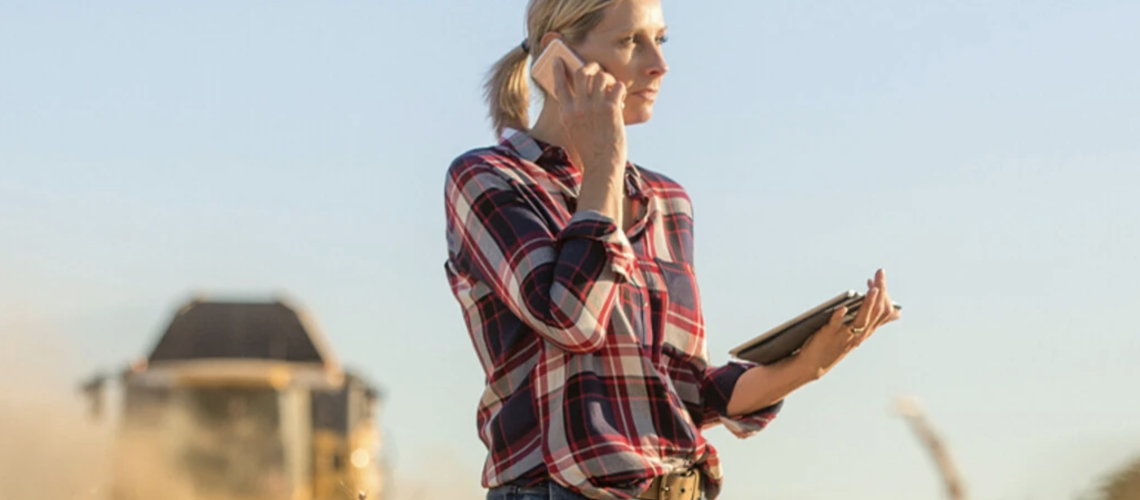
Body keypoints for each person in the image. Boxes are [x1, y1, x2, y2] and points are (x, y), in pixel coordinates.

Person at [442, 1, 902, 499]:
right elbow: (572, 319)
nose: (658, 64)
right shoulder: (487, 180)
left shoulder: (668, 202)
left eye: (659, 40)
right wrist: (603, 165)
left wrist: (808, 364)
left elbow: (682, 390)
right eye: (628, 41)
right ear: (557, 58)